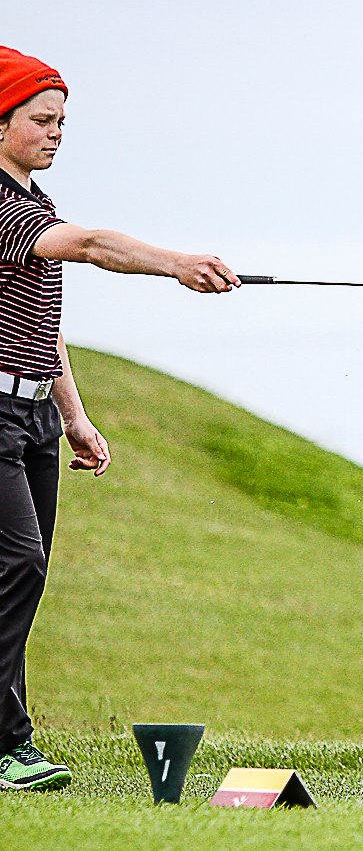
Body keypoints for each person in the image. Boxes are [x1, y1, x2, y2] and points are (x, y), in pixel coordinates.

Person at [0, 45, 240, 791]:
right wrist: (174, 263)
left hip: (33, 416)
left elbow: (42, 327)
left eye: (62, 122)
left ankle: (12, 744)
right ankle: (6, 746)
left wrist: (74, 418)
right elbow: (92, 246)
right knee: (16, 566)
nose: (56, 133)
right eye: (41, 119)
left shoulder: (35, 204)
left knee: (21, 580)